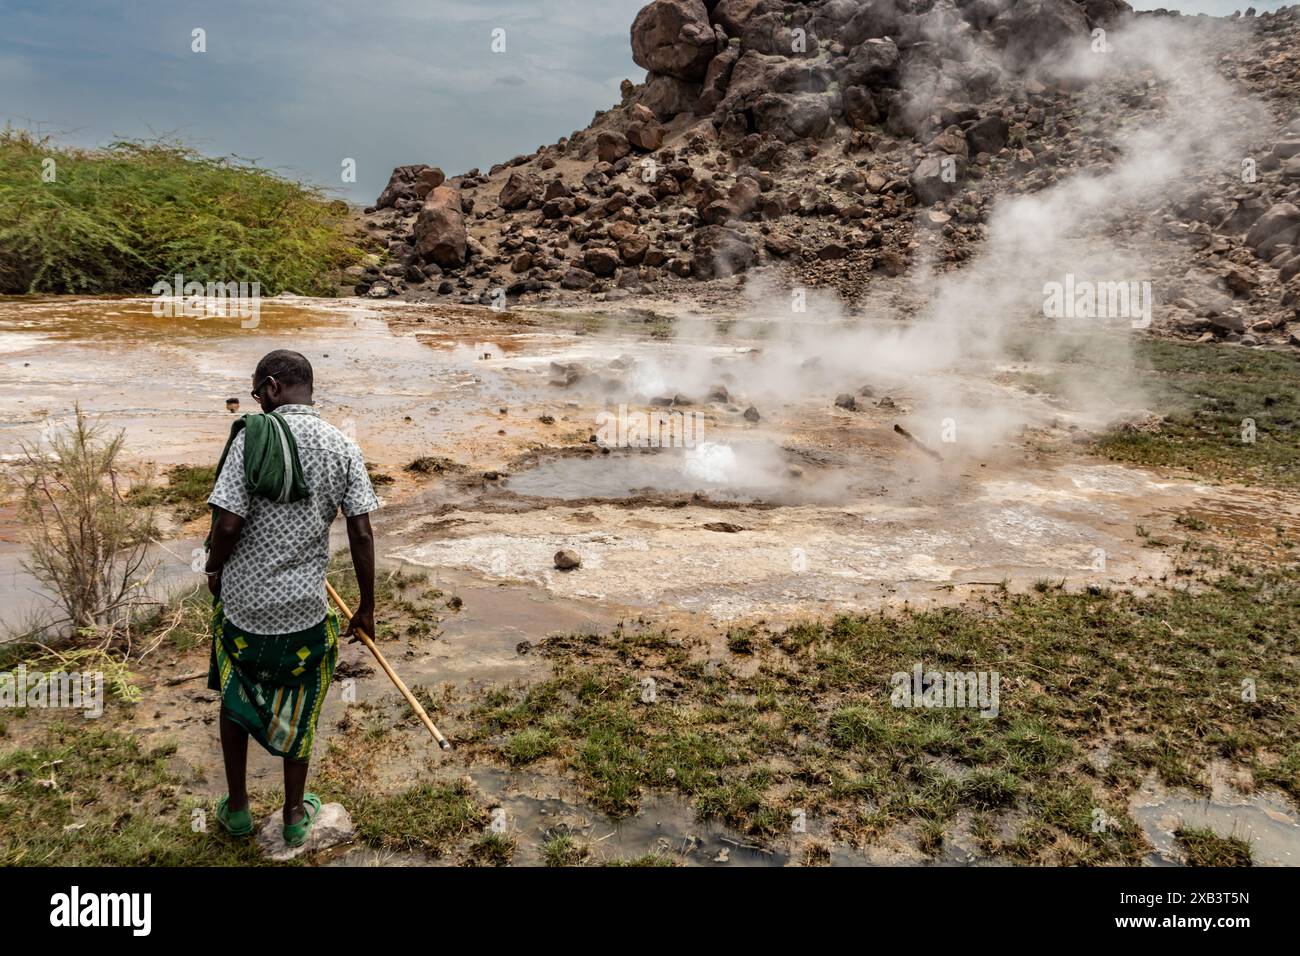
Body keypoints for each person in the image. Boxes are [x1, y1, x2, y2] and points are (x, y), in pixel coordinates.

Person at [203, 349, 378, 846]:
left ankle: (237, 810)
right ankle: (296, 814)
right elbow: (362, 533)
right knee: (303, 702)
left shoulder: (252, 439)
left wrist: (214, 567)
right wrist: (366, 607)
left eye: (259, 394)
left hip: (244, 606)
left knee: (235, 695)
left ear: (273, 387)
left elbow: (229, 522)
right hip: (304, 609)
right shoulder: (343, 445)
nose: (258, 404)